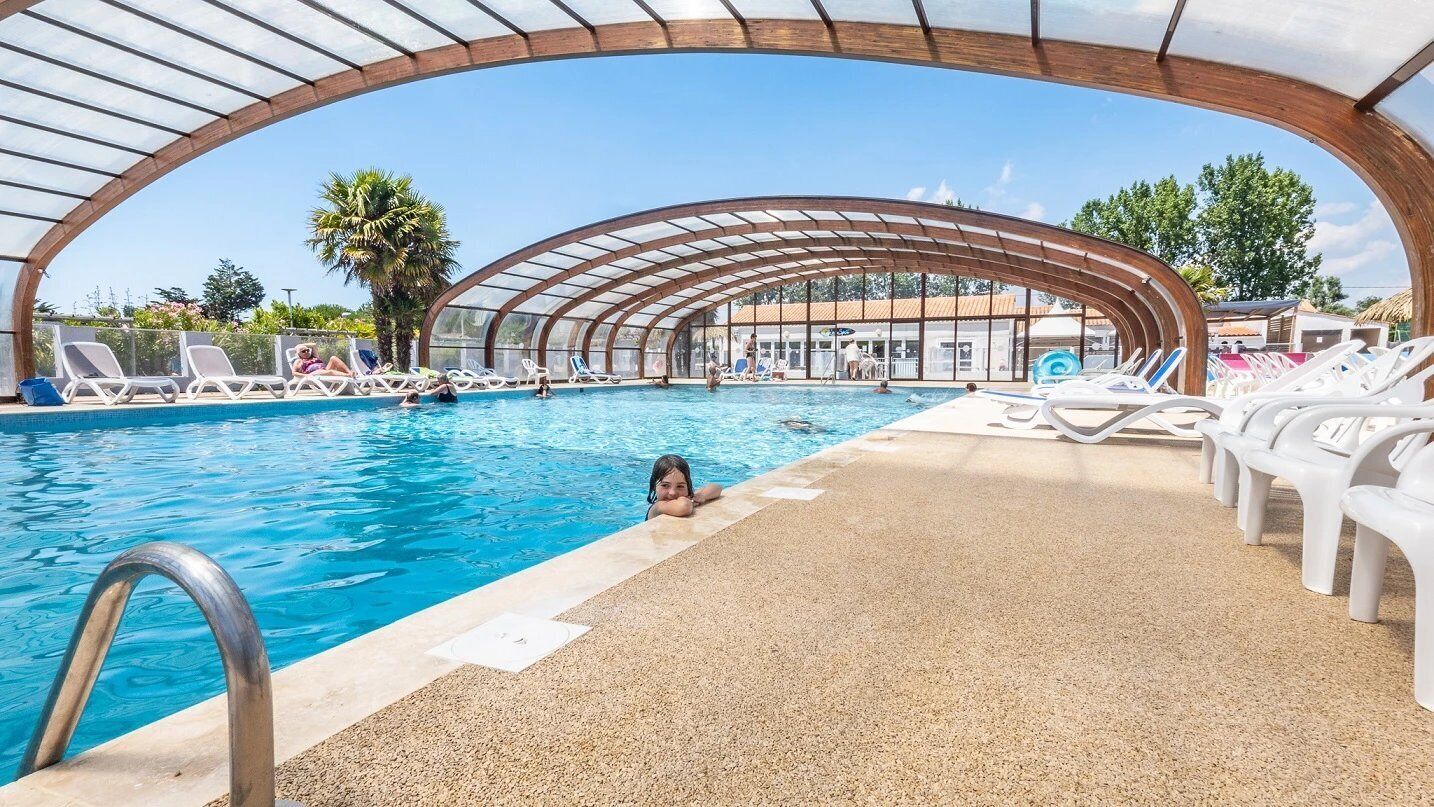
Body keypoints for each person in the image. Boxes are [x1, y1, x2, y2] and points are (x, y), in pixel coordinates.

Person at [646, 454, 723, 520]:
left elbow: (717, 487)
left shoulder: (689, 498)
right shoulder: (657, 508)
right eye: (665, 485)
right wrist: (691, 502)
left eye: (680, 486)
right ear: (654, 486)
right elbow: (684, 506)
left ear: (688, 487)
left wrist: (702, 496)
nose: (673, 493)